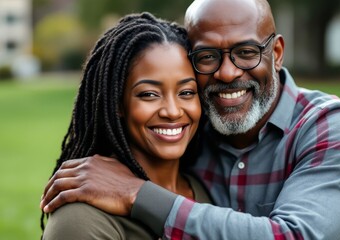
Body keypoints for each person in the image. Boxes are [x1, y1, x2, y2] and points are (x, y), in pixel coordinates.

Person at [41, 0, 340, 239]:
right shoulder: (197, 134)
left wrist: (138, 194)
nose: (227, 72)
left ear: (276, 53)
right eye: (207, 56)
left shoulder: (334, 128)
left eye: (246, 52)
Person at [40, 12, 213, 239]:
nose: (172, 111)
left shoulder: (205, 191)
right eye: (149, 94)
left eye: (187, 92)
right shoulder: (81, 218)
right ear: (118, 103)